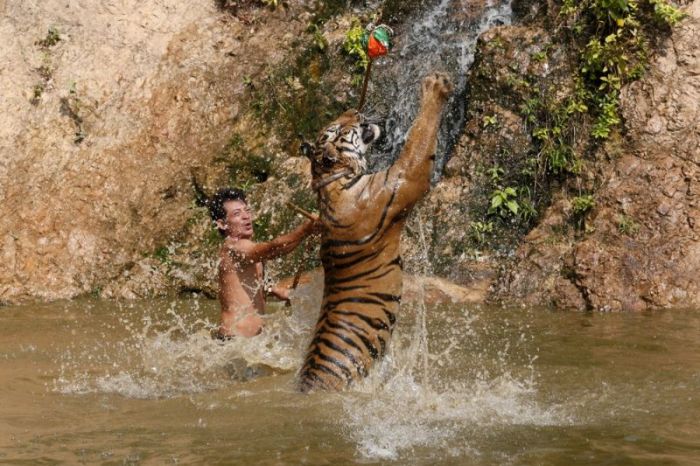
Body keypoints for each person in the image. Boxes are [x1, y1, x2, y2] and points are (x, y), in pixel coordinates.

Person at [207, 188, 319, 339]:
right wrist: (305, 230)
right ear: (222, 224)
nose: (246, 217)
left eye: (247, 211)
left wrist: (273, 289)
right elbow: (273, 249)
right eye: (237, 214)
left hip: (251, 343)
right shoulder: (232, 247)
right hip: (233, 341)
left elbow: (248, 282)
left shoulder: (246, 248)